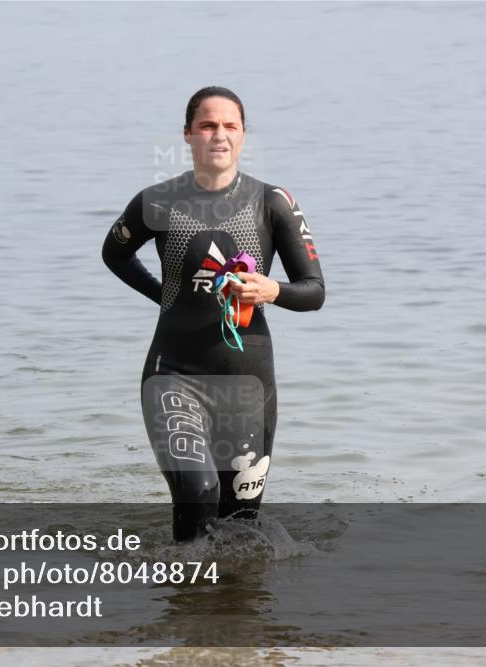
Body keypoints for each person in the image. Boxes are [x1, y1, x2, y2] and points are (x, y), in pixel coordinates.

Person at [102, 86, 324, 542]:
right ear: (187, 135)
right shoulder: (156, 202)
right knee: (198, 490)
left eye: (230, 126)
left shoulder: (273, 202)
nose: (218, 135)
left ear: (243, 136)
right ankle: (184, 601)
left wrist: (272, 289)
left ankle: (228, 609)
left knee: (240, 524)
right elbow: (115, 254)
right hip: (173, 374)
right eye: (207, 125)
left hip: (248, 383)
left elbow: (314, 291)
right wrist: (165, 296)